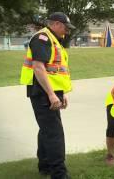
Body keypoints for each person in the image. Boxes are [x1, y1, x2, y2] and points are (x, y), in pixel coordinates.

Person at [20, 12, 75, 179]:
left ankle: (44, 166)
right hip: (43, 91)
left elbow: (55, 70)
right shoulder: (42, 38)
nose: (67, 31)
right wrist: (51, 94)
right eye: (66, 27)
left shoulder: (52, 39)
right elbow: (38, 68)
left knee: (47, 129)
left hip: (49, 90)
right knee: (54, 133)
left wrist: (61, 93)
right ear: (57, 24)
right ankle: (59, 174)